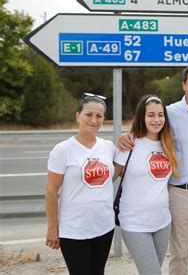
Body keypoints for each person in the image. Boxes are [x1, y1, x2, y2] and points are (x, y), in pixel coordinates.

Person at [119, 65, 188, 275]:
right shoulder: (170, 113)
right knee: (180, 253)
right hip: (180, 193)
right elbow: (148, 127)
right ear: (183, 85)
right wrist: (125, 135)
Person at [45, 93, 115, 275]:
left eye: (99, 116)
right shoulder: (63, 150)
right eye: (88, 114)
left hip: (104, 226)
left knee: (98, 272)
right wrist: (53, 227)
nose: (94, 120)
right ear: (78, 116)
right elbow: (51, 191)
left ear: (103, 119)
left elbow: (115, 174)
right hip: (74, 230)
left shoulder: (108, 147)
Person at [114, 95, 179, 274]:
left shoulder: (167, 144)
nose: (156, 120)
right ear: (142, 117)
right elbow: (109, 177)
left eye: (160, 115)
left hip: (162, 221)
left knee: (152, 270)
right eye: (151, 115)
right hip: (135, 223)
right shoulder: (129, 144)